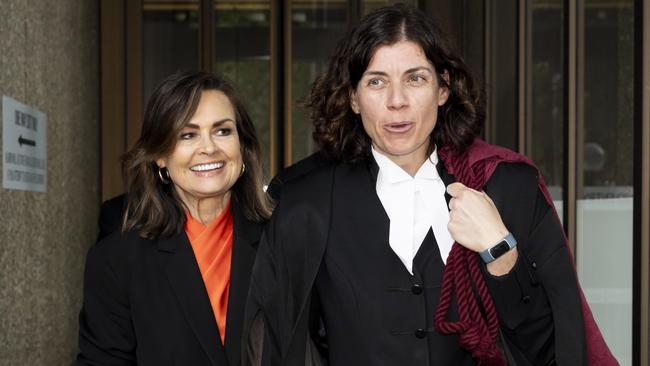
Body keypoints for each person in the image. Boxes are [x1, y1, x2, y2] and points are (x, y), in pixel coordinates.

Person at [243, 4, 617, 366]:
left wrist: (500, 251)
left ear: (443, 89)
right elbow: (274, 345)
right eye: (376, 82)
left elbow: (553, 350)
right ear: (353, 98)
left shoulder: (507, 187)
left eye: (415, 78)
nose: (397, 102)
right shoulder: (306, 201)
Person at [78, 70, 273, 365]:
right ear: (160, 156)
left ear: (242, 147)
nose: (208, 148)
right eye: (187, 135)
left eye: (223, 131)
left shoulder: (283, 240)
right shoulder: (116, 260)